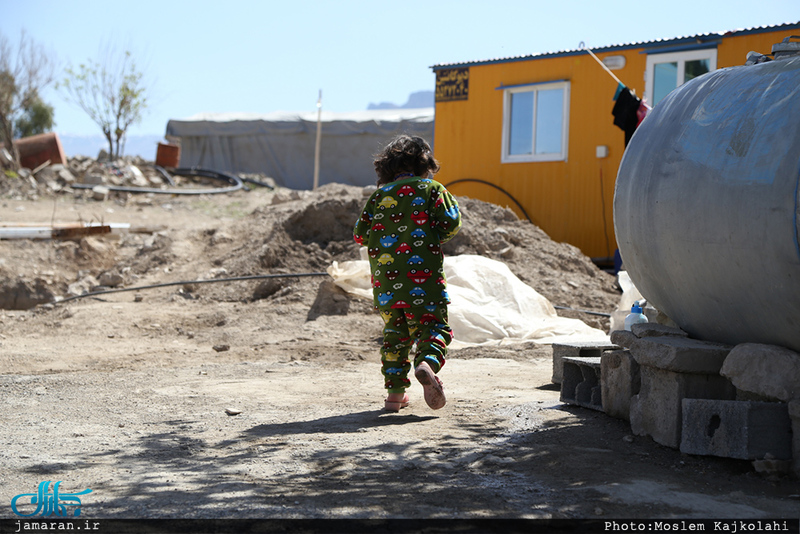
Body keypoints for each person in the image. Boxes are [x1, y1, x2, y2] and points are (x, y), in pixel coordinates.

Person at [353, 135, 461, 412]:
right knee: (434, 328)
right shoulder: (432, 189)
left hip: (387, 286)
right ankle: (426, 363)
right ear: (426, 165)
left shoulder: (378, 197)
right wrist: (430, 234)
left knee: (394, 337)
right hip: (424, 281)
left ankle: (395, 397)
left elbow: (360, 235)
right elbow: (450, 224)